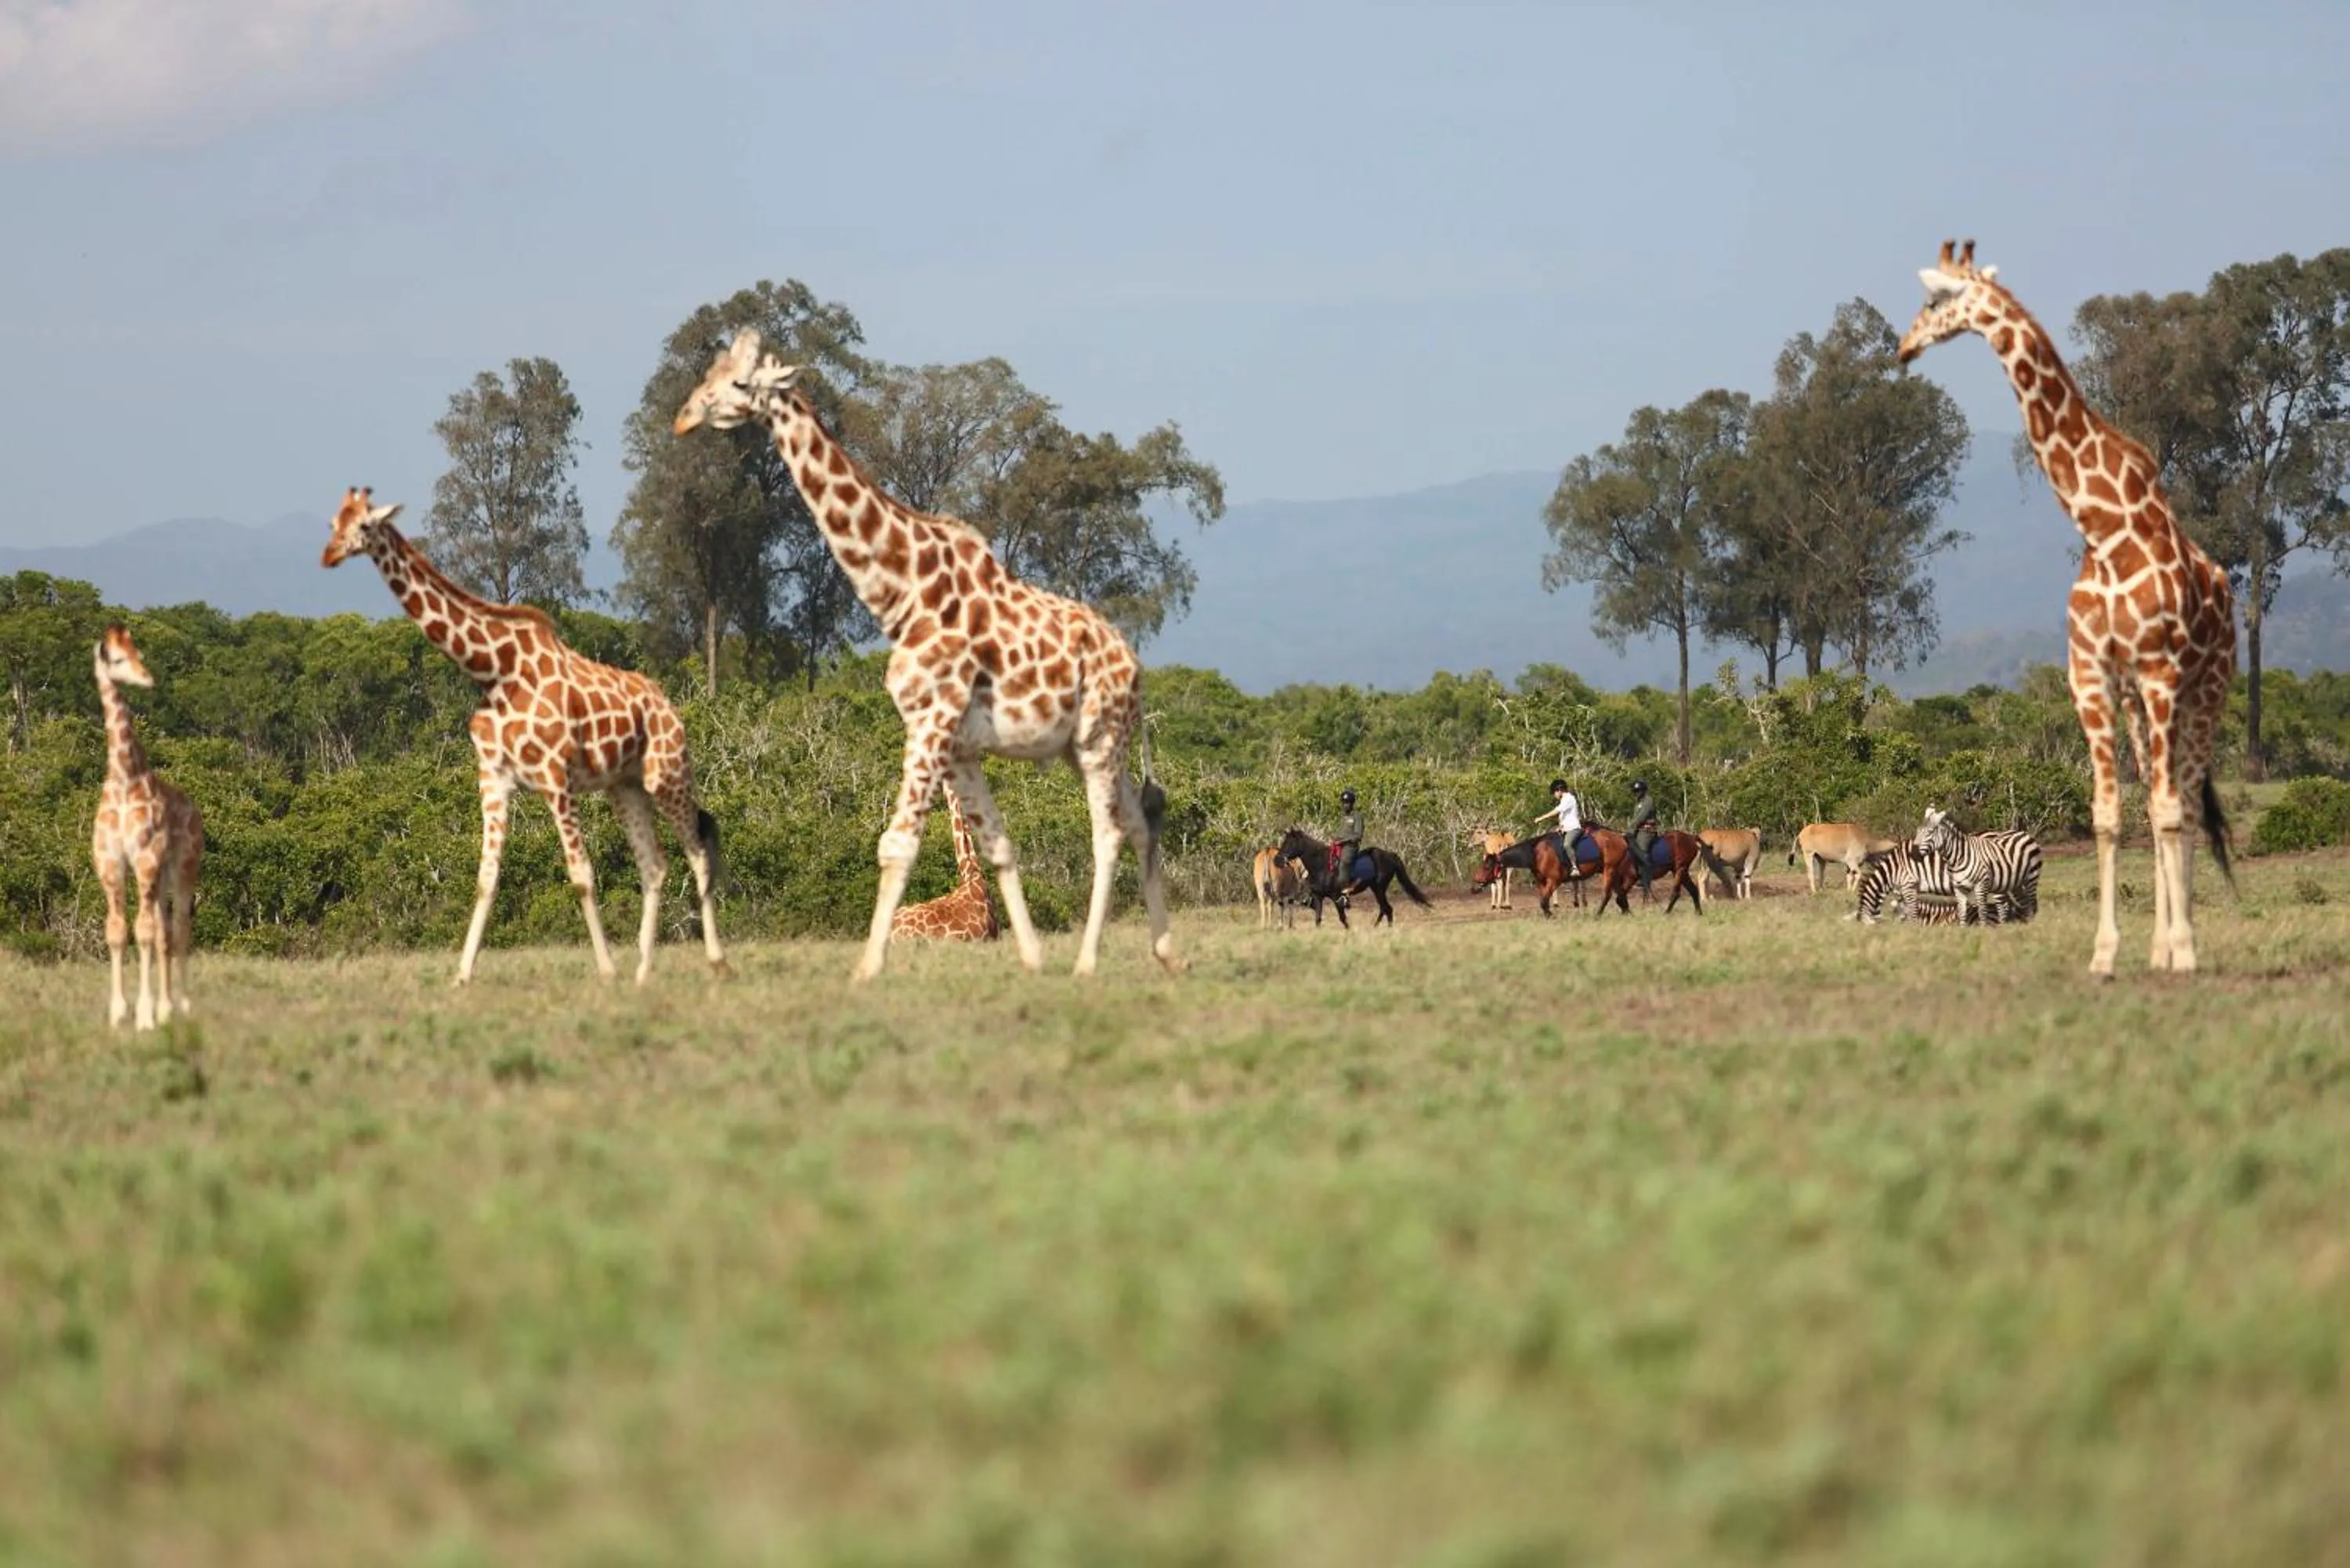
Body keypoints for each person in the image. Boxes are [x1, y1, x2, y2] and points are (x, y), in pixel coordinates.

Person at [1529, 778, 1587, 877]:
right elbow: (1564, 817)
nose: (1554, 795)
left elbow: (1557, 811)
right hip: (1565, 829)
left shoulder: (1569, 799)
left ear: (1560, 790)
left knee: (1567, 845)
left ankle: (1575, 867)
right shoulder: (1564, 800)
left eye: (1555, 792)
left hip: (1574, 829)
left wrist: (1541, 818)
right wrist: (1560, 827)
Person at [1626, 779, 1659, 898]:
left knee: (1641, 848)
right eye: (1635, 791)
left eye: (1639, 791)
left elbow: (1642, 817)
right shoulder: (1638, 802)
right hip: (1638, 829)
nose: (1637, 793)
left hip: (1647, 830)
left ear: (1644, 791)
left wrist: (1632, 829)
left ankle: (1646, 871)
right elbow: (1636, 818)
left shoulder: (1648, 801)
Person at [1329, 788, 1365, 891]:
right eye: (1344, 803)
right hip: (1339, 844)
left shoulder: (1357, 816)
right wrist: (1335, 838)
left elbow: (1358, 835)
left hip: (1350, 846)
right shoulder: (1343, 816)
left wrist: (1343, 841)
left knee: (1344, 862)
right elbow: (1341, 832)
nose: (1345, 805)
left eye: (1347, 803)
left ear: (1352, 804)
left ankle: (1344, 888)